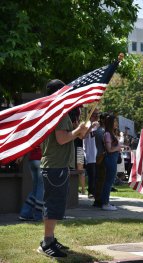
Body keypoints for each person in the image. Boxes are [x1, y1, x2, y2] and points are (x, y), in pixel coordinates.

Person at [38, 79, 87, 258]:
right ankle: (47, 242)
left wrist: (81, 130)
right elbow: (61, 138)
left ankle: (49, 239)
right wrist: (76, 131)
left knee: (54, 205)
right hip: (55, 166)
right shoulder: (58, 112)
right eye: (64, 89)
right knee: (53, 205)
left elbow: (69, 135)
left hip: (56, 166)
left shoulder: (57, 112)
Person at [101, 114, 122, 211]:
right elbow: (109, 149)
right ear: (110, 123)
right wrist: (118, 148)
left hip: (113, 159)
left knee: (109, 181)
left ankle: (106, 201)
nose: (116, 124)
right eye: (114, 122)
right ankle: (105, 203)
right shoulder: (107, 134)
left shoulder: (111, 134)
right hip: (110, 159)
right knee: (108, 182)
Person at [18, 145, 44, 221]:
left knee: (35, 189)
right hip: (41, 160)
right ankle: (38, 215)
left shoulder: (33, 132)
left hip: (32, 161)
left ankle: (25, 214)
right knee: (41, 189)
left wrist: (21, 155)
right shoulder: (44, 132)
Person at [83, 109, 100, 197]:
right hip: (89, 154)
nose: (97, 116)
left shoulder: (98, 126)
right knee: (91, 175)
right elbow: (83, 136)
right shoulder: (86, 124)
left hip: (97, 153)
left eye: (98, 114)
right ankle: (90, 192)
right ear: (90, 115)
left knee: (97, 174)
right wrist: (90, 127)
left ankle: (96, 191)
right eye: (95, 114)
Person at [93, 113, 107, 208]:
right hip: (101, 156)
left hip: (99, 156)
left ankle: (99, 199)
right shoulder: (102, 131)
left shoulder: (100, 130)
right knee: (101, 179)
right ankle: (98, 199)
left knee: (100, 179)